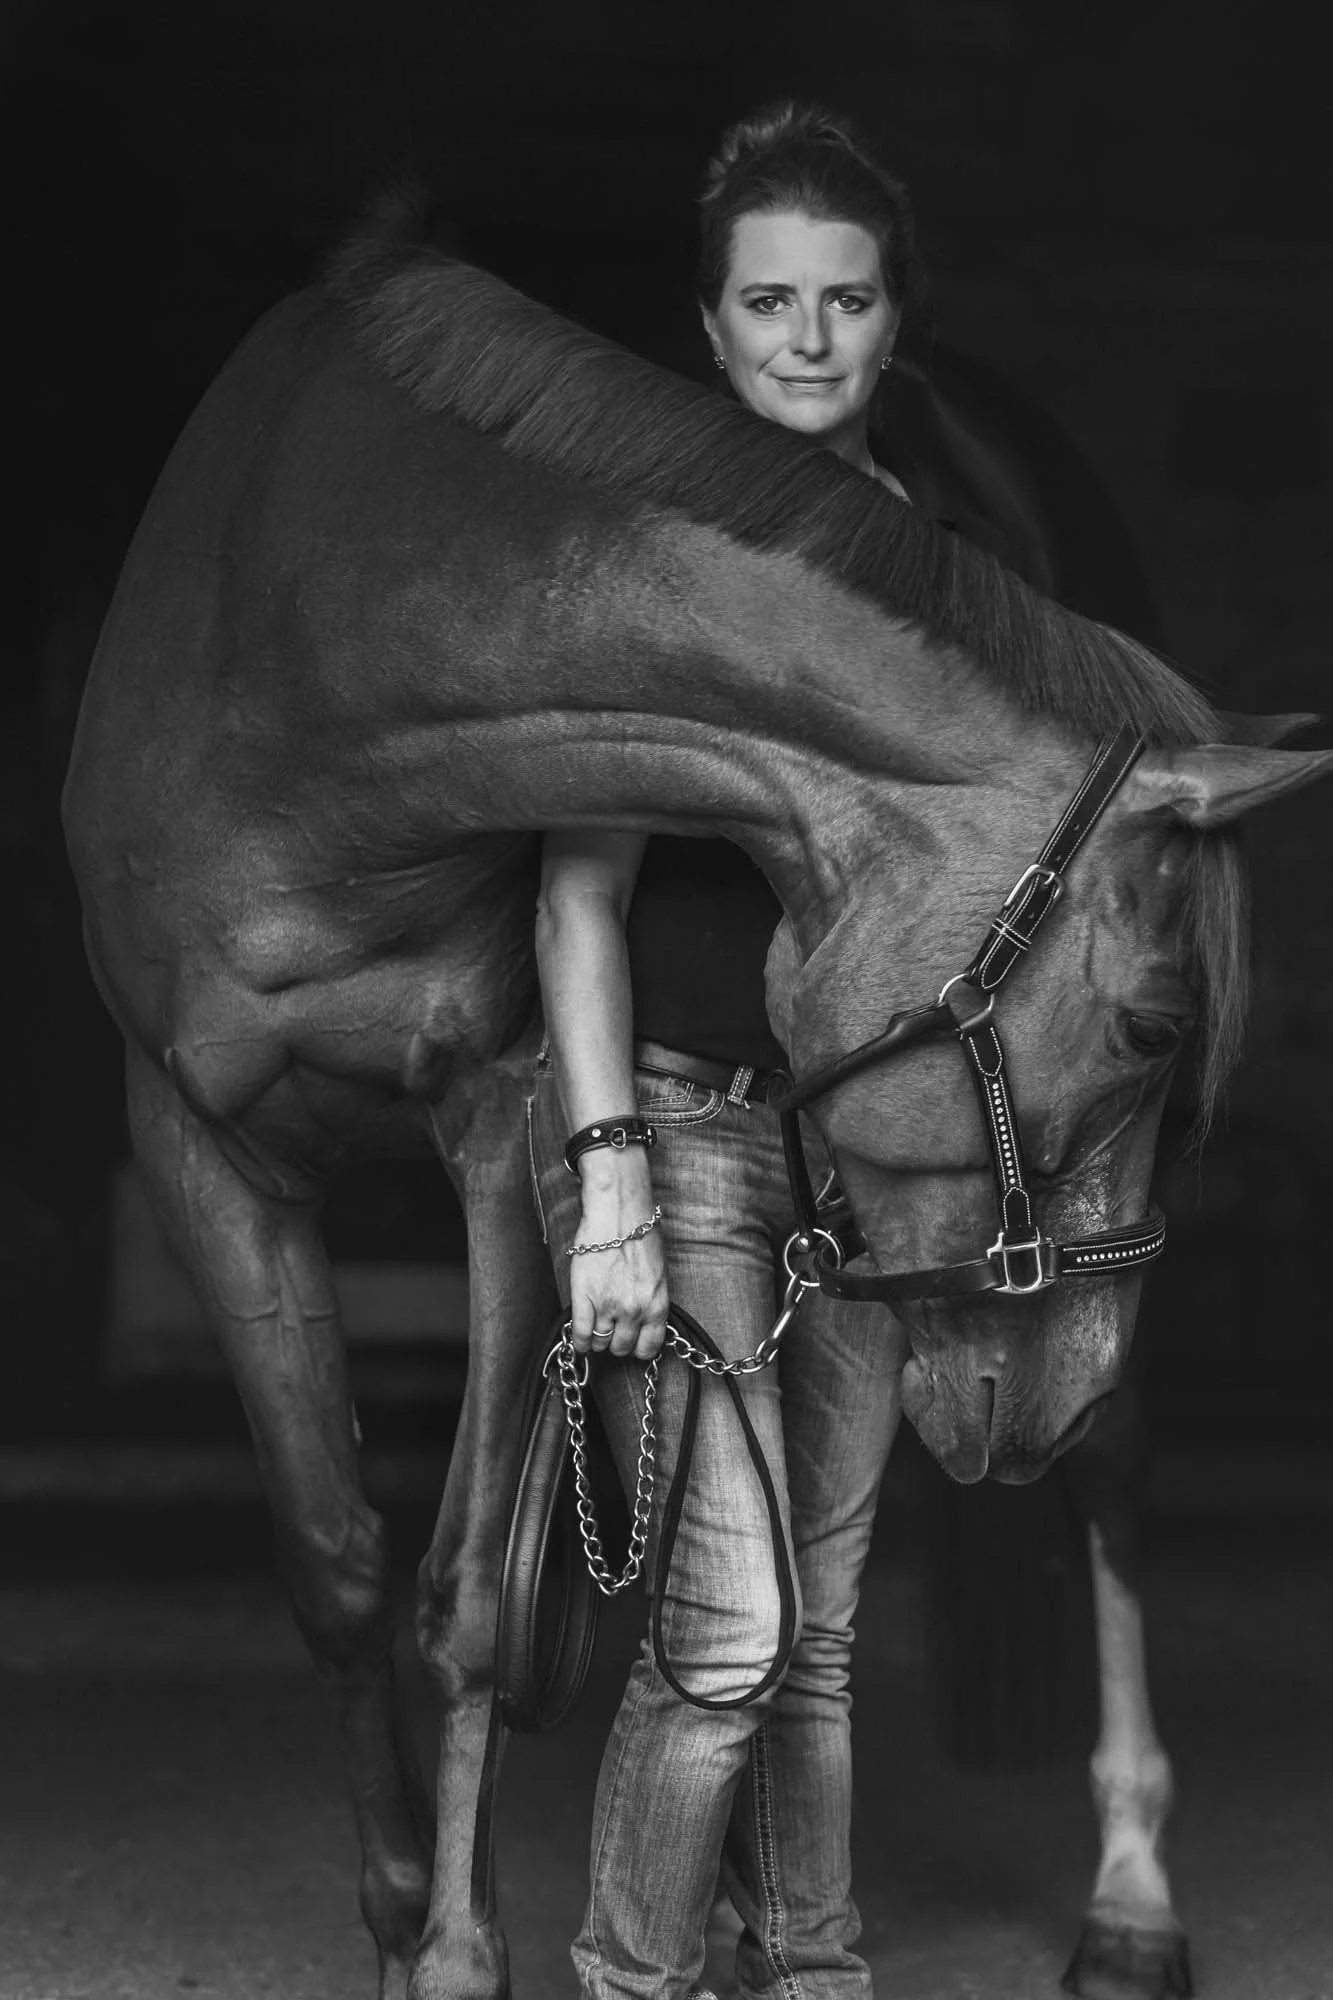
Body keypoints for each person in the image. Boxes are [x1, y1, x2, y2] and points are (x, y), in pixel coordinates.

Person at [527, 101, 923, 2000]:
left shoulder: (926, 565)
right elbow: (577, 893)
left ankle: (815, 1974)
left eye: (845, 301)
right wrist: (605, 1178)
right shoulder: (654, 549)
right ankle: (630, 1980)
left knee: (826, 1640)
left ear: (891, 321)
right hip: (674, 1118)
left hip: (855, 1130)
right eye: (770, 300)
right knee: (735, 1633)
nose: (809, 337)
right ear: (710, 326)